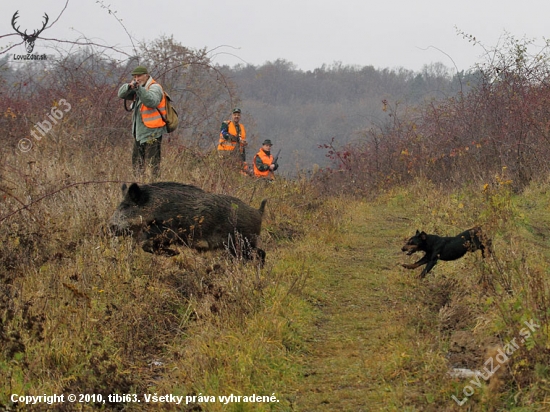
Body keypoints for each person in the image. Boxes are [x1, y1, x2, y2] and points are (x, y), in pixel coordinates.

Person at [118, 65, 167, 179]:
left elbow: (151, 101)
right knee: (137, 165)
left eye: (139, 76)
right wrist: (129, 87)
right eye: (135, 77)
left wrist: (139, 89)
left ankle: (154, 188)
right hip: (139, 133)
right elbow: (121, 94)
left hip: (152, 133)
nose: (137, 79)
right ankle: (139, 186)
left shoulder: (155, 88)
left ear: (146, 75)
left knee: (152, 166)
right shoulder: (138, 87)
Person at [218, 108, 249, 174]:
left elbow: (241, 143)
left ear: (240, 116)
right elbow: (224, 134)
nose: (236, 116)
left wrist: (243, 159)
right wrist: (236, 139)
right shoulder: (226, 124)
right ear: (232, 115)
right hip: (225, 153)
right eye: (235, 115)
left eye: (238, 115)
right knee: (224, 172)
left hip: (237, 155)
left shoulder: (242, 127)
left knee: (236, 173)